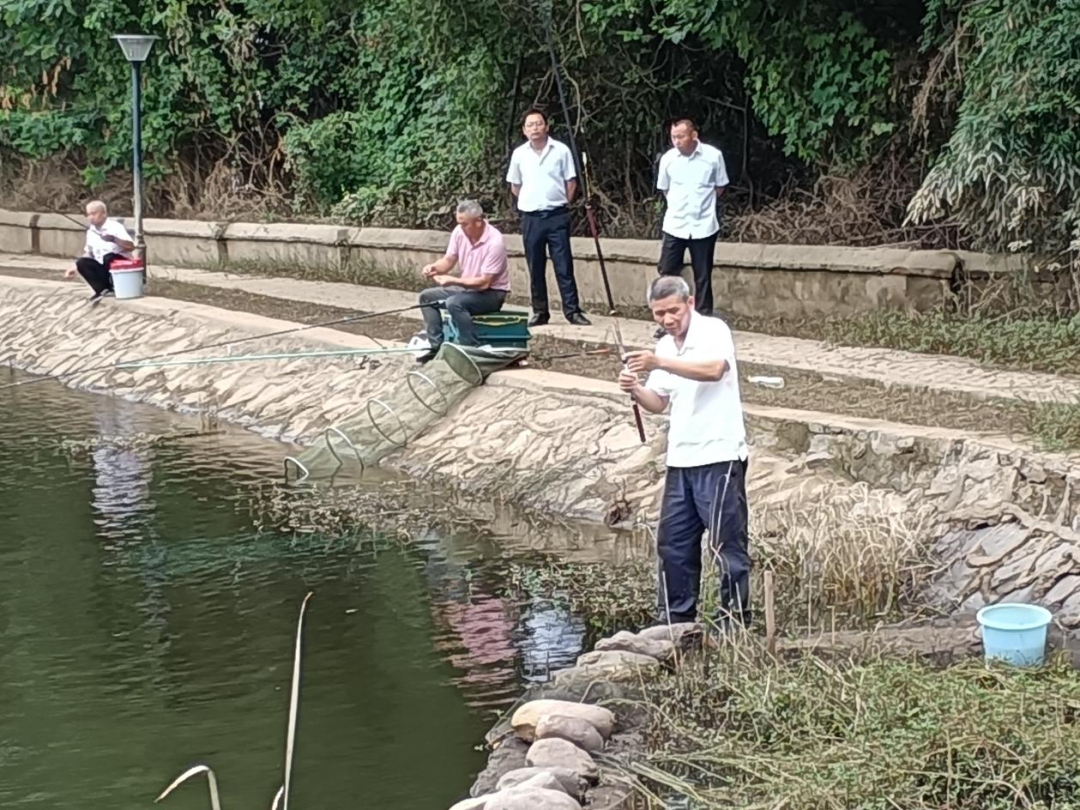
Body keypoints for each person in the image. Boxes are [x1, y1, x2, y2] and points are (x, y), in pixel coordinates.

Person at [619, 275, 751, 628]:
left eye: (673, 311)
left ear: (689, 303)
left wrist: (659, 363)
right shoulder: (663, 346)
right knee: (673, 545)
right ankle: (676, 621)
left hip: (719, 455)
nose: (667, 320)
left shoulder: (713, 330)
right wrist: (635, 389)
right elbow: (658, 403)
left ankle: (734, 623)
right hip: (680, 459)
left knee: (727, 544)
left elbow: (714, 370)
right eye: (658, 313)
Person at [506, 109, 591, 328]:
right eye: (530, 125)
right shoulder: (519, 154)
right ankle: (540, 311)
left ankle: (572, 311)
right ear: (524, 130)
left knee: (564, 265)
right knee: (535, 266)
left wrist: (561, 202)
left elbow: (571, 182)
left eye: (538, 123)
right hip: (531, 218)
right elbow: (515, 186)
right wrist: (531, 201)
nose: (534, 128)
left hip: (556, 216)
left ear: (546, 126)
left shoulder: (561, 150)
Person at [654, 119, 729, 337]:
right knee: (667, 272)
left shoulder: (713, 156)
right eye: (673, 137)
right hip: (675, 224)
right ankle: (668, 319)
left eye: (681, 137)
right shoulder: (668, 159)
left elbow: (720, 186)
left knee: (702, 275)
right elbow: (665, 189)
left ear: (694, 135)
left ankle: (702, 321)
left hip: (703, 225)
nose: (676, 141)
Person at [416, 200, 510, 364]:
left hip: (492, 294)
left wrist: (453, 280)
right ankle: (436, 346)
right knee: (426, 297)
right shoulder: (459, 232)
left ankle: (471, 348)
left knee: (455, 303)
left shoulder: (495, 242)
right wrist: (434, 267)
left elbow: (484, 283)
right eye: (459, 223)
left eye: (465, 224)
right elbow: (448, 260)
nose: (461, 227)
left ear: (478, 221)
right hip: (467, 290)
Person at [63, 200, 135, 302]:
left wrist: (114, 239)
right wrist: (74, 267)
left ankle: (114, 286)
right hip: (102, 266)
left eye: (94, 214)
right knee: (82, 262)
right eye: (88, 215)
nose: (91, 217)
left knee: (108, 257)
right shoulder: (91, 231)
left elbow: (131, 246)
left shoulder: (115, 227)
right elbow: (89, 253)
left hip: (119, 264)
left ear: (104, 214)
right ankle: (102, 290)